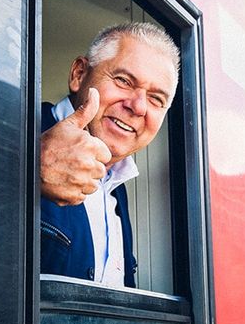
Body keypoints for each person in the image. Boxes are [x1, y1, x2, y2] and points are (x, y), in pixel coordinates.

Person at [39, 23, 179, 288]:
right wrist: (25, 167)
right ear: (79, 74)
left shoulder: (115, 184)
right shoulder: (12, 129)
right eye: (124, 81)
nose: (138, 107)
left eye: (156, 99)